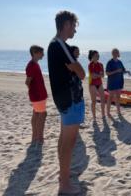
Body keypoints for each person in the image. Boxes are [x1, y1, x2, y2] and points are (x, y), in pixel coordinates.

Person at [47, 11, 85, 194]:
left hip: (65, 100)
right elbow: (81, 72)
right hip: (69, 100)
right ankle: (64, 185)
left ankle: (64, 175)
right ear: (66, 25)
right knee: (68, 143)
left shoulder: (56, 45)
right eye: (74, 27)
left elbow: (74, 68)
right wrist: (78, 70)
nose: (75, 31)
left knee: (64, 140)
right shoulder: (60, 45)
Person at [25, 45, 47, 144]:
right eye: (41, 52)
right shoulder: (31, 65)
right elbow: (27, 81)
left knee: (37, 113)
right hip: (38, 95)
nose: (43, 54)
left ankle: (35, 136)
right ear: (35, 52)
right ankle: (39, 137)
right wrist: (33, 92)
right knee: (42, 115)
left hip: (40, 94)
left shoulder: (35, 64)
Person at [106, 48, 131, 117]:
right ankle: (108, 112)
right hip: (112, 82)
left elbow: (122, 71)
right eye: (114, 52)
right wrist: (116, 71)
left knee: (118, 97)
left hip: (119, 81)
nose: (116, 53)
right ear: (112, 53)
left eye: (117, 52)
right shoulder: (110, 62)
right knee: (110, 97)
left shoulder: (120, 62)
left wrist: (127, 71)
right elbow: (107, 73)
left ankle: (118, 111)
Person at [88, 50, 105, 120]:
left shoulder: (101, 64)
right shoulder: (90, 64)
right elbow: (93, 76)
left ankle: (103, 115)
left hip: (99, 83)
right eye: (96, 55)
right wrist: (99, 75)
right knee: (94, 101)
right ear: (92, 56)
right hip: (92, 84)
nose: (97, 56)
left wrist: (97, 75)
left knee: (103, 99)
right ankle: (94, 116)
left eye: (98, 55)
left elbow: (103, 75)